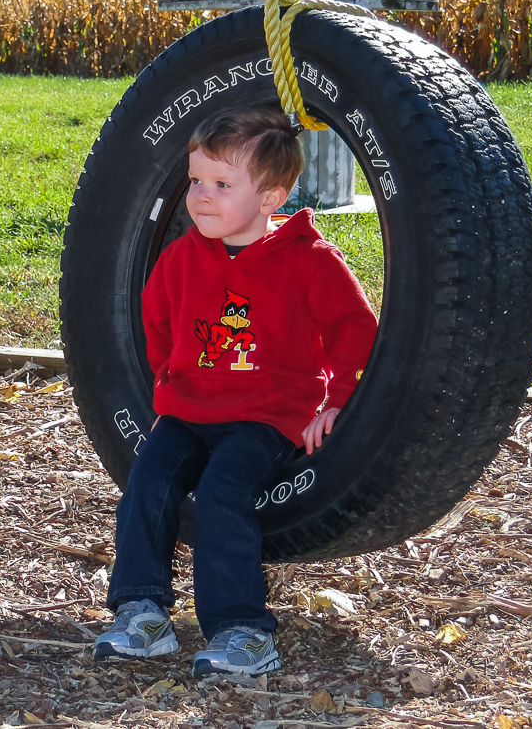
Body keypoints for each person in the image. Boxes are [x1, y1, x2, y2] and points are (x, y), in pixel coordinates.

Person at [92, 107, 378, 678]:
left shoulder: (309, 261)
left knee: (225, 493)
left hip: (265, 415)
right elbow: (158, 329)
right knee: (146, 481)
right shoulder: (179, 259)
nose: (200, 196)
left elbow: (357, 333)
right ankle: (142, 612)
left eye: (222, 185)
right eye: (196, 180)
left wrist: (336, 401)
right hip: (189, 409)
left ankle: (242, 630)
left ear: (271, 197)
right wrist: (168, 388)